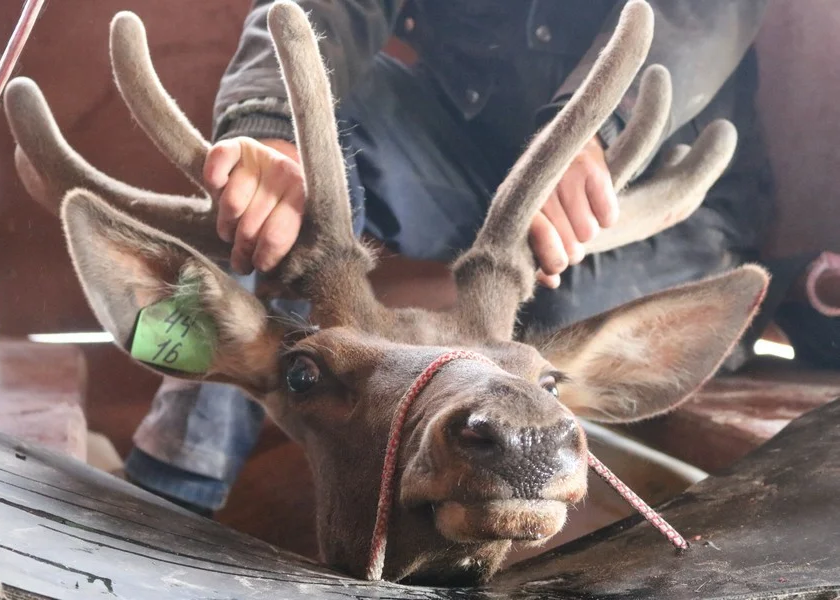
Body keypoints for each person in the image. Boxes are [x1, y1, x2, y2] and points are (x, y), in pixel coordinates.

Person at [124, 0, 777, 516]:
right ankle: (176, 480)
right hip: (466, 156)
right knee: (284, 167)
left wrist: (595, 133)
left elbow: (704, 11)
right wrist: (272, 123)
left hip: (631, 194)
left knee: (566, 306)